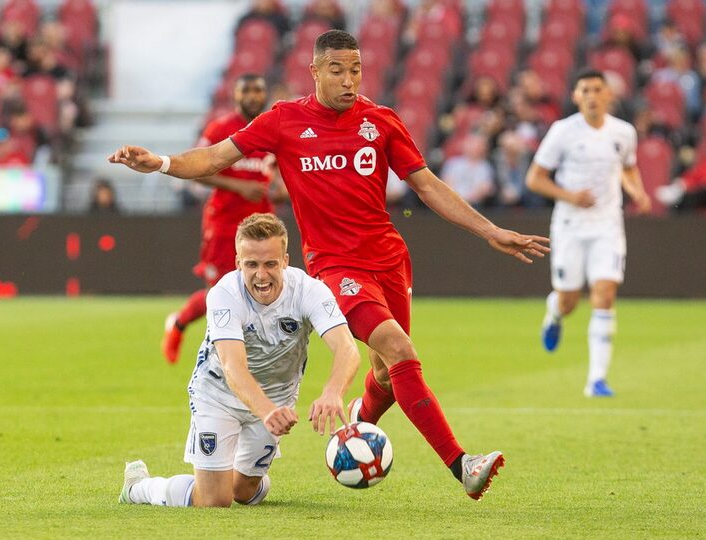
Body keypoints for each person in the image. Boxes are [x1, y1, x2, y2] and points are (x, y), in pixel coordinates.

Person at [110, 29, 550, 500]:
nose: (348, 80)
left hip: (390, 261)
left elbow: (426, 185)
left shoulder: (380, 122)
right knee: (400, 350)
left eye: (356, 69)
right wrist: (159, 162)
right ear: (315, 71)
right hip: (336, 268)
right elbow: (216, 158)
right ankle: (463, 465)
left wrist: (491, 232)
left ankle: (362, 420)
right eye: (337, 70)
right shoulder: (284, 120)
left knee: (386, 372)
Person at [119, 213, 360, 508]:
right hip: (219, 393)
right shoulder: (224, 294)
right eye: (252, 265)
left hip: (277, 396)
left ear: (285, 261)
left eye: (270, 264)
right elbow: (233, 367)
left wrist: (333, 391)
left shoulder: (310, 291)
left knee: (244, 492)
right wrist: (267, 411)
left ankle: (242, 477)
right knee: (214, 500)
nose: (261, 275)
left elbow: (347, 348)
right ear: (238, 264)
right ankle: (139, 487)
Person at [526, 68, 651, 398]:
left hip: (608, 225)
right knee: (569, 300)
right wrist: (571, 196)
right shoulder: (562, 132)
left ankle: (596, 379)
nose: (592, 95)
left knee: (605, 295)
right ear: (576, 96)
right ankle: (554, 314)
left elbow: (627, 166)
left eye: (598, 89)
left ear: (610, 95)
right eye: (586, 90)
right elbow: (535, 179)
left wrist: (637, 191)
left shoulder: (623, 133)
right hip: (570, 225)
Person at [162, 74, 285, 364]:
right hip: (225, 222)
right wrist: (239, 186)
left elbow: (280, 176)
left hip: (263, 225)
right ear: (236, 95)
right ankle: (179, 323)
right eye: (247, 90)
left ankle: (258, 355)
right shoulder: (220, 128)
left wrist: (281, 190)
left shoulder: (272, 130)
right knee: (217, 291)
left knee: (266, 285)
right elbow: (198, 170)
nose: (253, 96)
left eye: (259, 90)